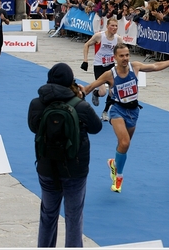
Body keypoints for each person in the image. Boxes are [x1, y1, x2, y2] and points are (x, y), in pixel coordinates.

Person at [83, 44, 169, 193]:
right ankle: (119, 177)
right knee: (124, 142)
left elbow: (155, 66)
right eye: (121, 56)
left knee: (125, 146)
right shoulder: (110, 74)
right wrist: (81, 92)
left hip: (133, 111)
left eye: (127, 55)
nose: (125, 58)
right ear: (115, 57)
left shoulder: (135, 67)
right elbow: (92, 86)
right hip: (117, 110)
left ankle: (114, 163)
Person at [28, 63, 102, 247]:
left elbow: (33, 128)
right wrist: (80, 98)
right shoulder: (80, 105)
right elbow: (97, 127)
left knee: (48, 215)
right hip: (75, 169)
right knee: (74, 217)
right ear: (71, 81)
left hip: (47, 167)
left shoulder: (36, 103)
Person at [81, 18, 123, 121]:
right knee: (103, 92)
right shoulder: (99, 36)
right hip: (99, 66)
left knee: (113, 91)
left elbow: (123, 52)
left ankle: (105, 111)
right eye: (112, 26)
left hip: (111, 66)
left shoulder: (118, 39)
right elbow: (86, 44)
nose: (114, 28)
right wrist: (85, 60)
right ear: (107, 26)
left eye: (116, 26)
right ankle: (96, 93)